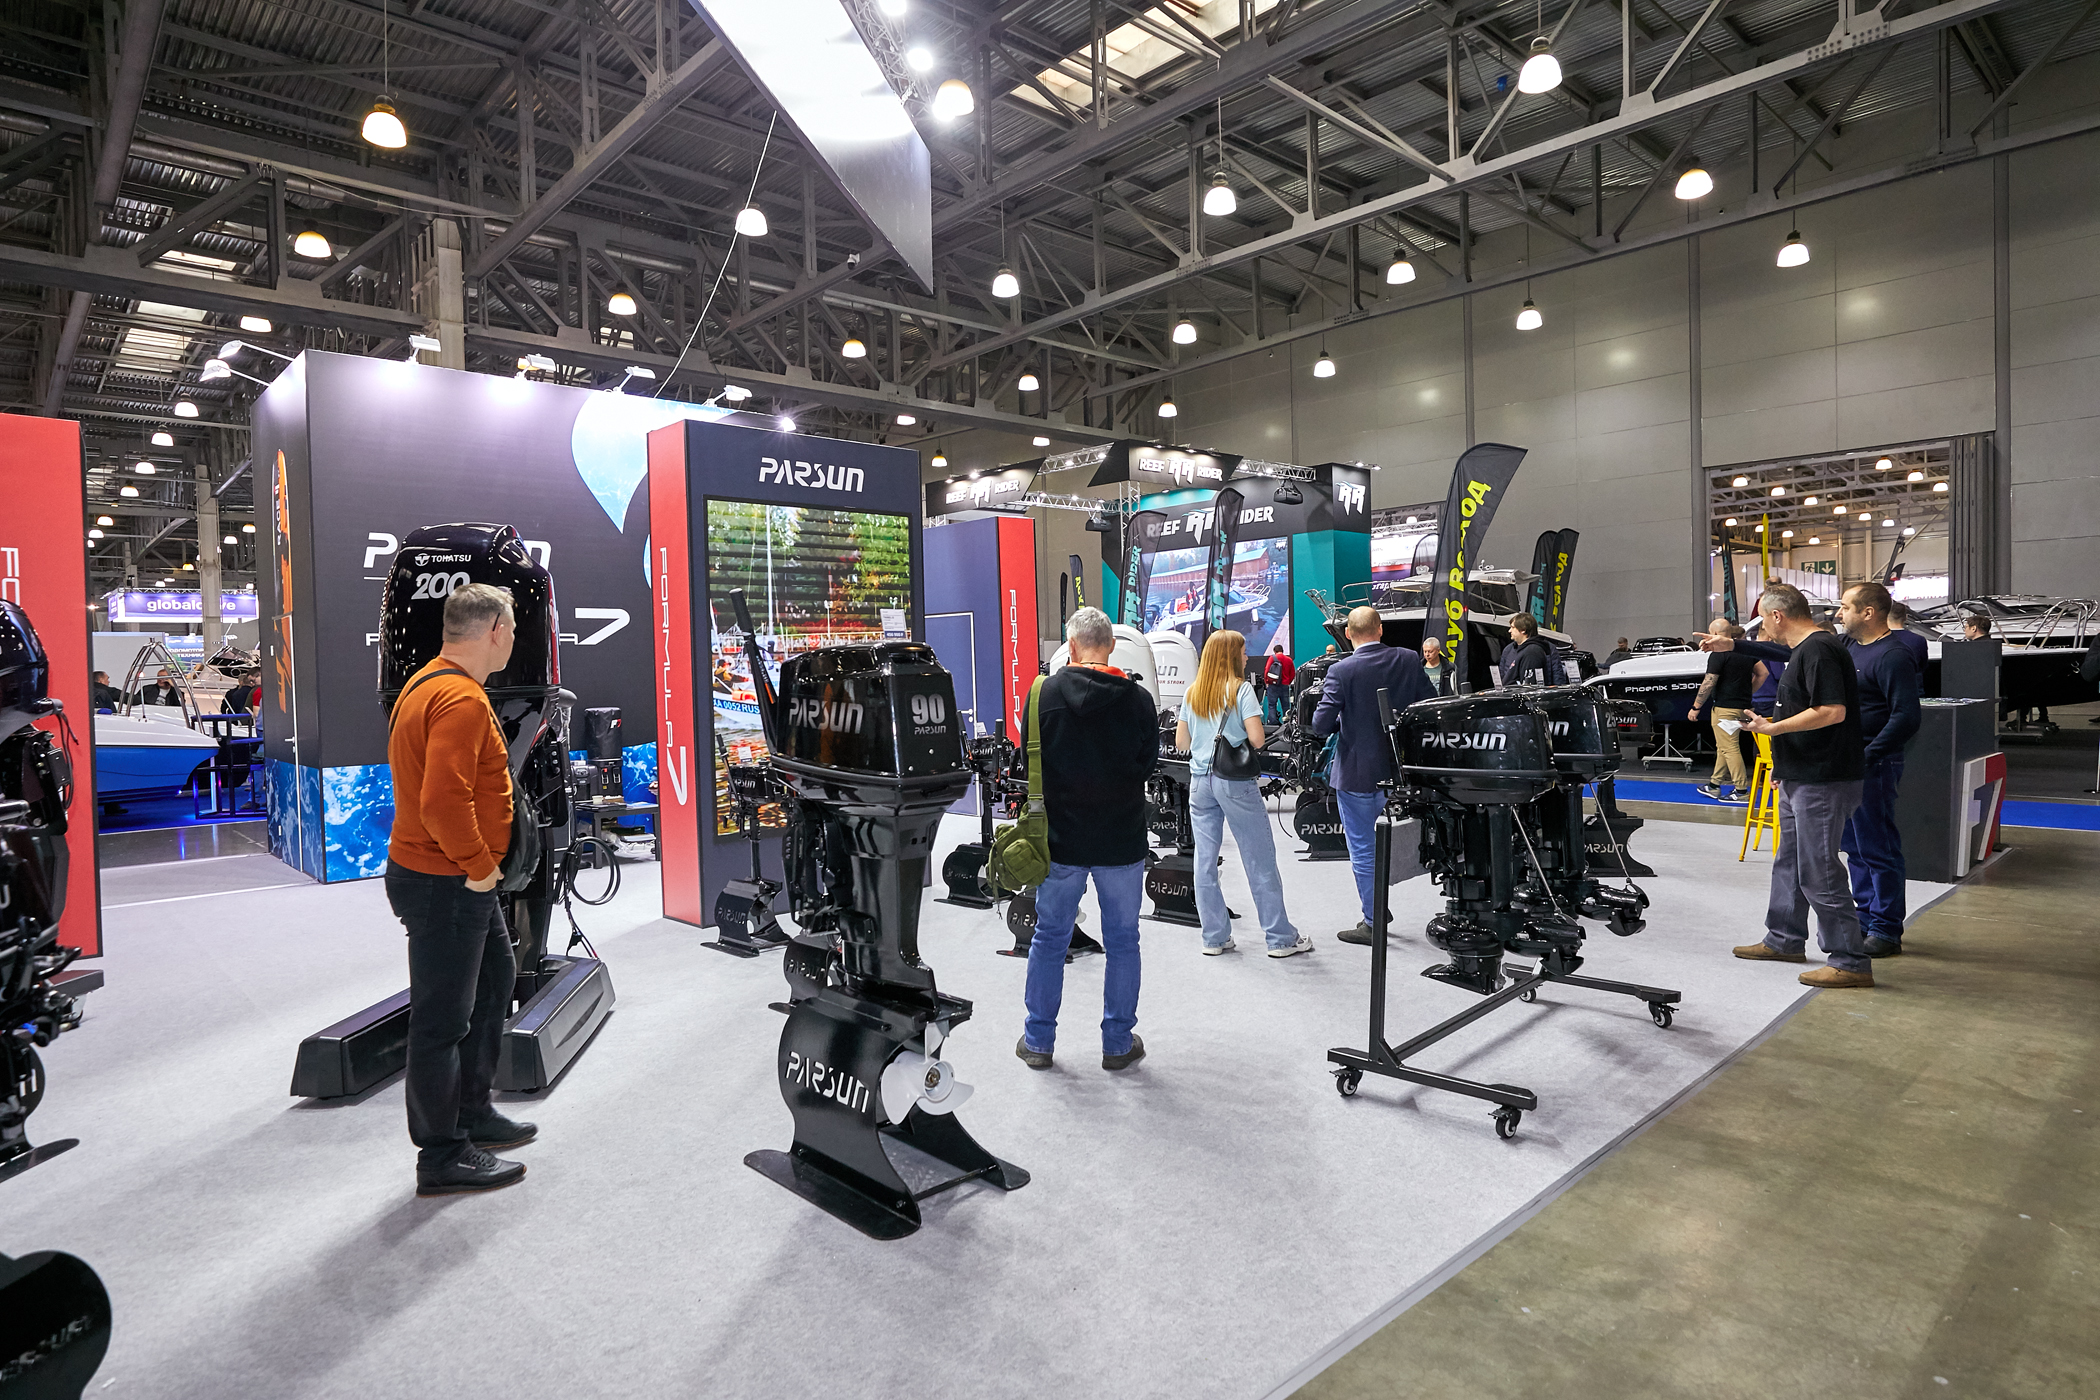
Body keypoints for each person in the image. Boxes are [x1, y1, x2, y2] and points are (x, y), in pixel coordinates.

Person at [385, 582, 537, 1196]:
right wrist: (479, 865)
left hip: (448, 878)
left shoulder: (428, 683)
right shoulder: (461, 700)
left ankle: (472, 1111)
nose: (514, 640)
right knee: (442, 1020)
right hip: (446, 879)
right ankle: (442, 1153)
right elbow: (443, 802)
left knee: (495, 982)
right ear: (495, 630)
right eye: (513, 629)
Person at [1716, 583, 1921, 956]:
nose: (1839, 613)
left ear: (1868, 612)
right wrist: (1735, 646)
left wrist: (1868, 755)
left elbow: (1905, 716)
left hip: (1867, 762)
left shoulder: (1892, 655)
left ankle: (1885, 928)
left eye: (1845, 607)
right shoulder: (1845, 646)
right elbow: (1789, 650)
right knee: (1850, 848)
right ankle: (1860, 921)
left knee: (1875, 848)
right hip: (1835, 761)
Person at [1703, 584, 1874, 988]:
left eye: (1763, 620)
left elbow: (1831, 711)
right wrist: (1784, 761)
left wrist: (1772, 729)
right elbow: (1779, 660)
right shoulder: (1805, 649)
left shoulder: (1819, 650)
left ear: (1777, 616)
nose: (1763, 629)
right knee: (1790, 863)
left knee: (1819, 870)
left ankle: (1850, 960)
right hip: (1800, 774)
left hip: (1822, 778)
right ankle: (1784, 938)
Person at [1015, 607, 1161, 1072]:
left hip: (1059, 841)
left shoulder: (1041, 694)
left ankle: (1038, 1041)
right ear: (1111, 646)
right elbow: (1147, 765)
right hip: (1121, 839)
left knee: (1049, 937)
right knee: (1123, 941)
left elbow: (1029, 760)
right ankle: (1117, 1043)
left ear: (1071, 646)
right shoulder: (1138, 700)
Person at [1176, 631, 1307, 958]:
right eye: (1243, 652)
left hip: (1200, 782)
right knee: (1258, 857)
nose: (1247, 657)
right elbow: (1258, 739)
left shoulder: (1192, 692)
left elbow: (1182, 743)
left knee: (1204, 860)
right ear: (1231, 656)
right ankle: (1279, 938)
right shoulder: (1241, 689)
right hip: (1234, 782)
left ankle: (1214, 937)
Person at [1312, 606, 1436, 945]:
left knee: (1363, 848)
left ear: (1348, 634)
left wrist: (1346, 722)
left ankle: (1373, 919)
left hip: (1357, 774)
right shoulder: (1408, 659)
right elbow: (1429, 705)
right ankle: (1376, 908)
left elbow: (1321, 724)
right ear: (1380, 629)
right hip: (1400, 770)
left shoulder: (1341, 670)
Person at [1687, 619, 1763, 803]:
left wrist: (1696, 707)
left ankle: (1741, 790)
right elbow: (1763, 673)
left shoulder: (1718, 654)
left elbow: (1709, 682)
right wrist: (1748, 692)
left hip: (1725, 708)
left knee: (1729, 748)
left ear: (1714, 633)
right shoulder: (1745, 651)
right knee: (1724, 746)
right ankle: (1714, 784)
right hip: (1744, 707)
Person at [1500, 613, 1555, 686]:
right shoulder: (1521, 649)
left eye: (1513, 627)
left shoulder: (1532, 652)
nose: (1509, 631)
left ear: (1523, 630)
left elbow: (1529, 685)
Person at [1886, 600, 1931, 674]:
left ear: (1885, 617)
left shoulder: (1877, 640)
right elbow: (1923, 665)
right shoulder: (1919, 640)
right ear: (1906, 617)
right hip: (1912, 679)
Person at [1259, 643, 1295, 727]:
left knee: (1272, 705)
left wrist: (1267, 681)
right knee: (1286, 706)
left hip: (1273, 685)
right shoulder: (1289, 660)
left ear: (1275, 651)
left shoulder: (1272, 658)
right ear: (1283, 650)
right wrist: (1287, 682)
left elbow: (1267, 670)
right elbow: (1293, 673)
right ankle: (1287, 724)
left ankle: (1273, 723)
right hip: (1285, 685)